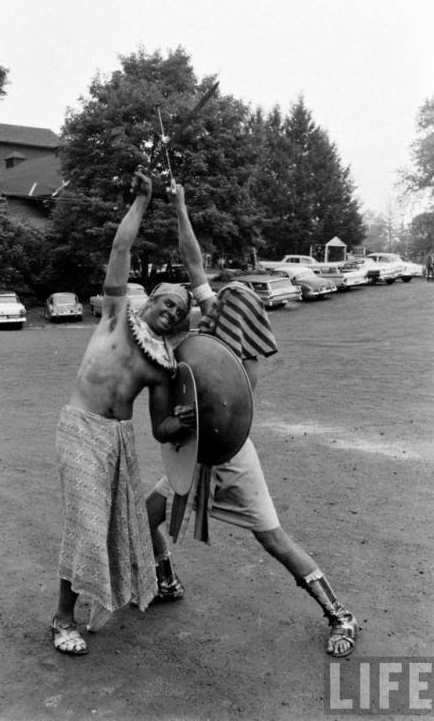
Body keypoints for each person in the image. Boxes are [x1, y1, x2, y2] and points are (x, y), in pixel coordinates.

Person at [146, 182, 358, 659]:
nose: (215, 303)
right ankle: (166, 579)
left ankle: (339, 612)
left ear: (243, 317)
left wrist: (189, 413)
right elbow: (194, 260)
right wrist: (180, 206)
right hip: (195, 453)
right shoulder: (214, 332)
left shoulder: (244, 367)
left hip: (230, 454)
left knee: (272, 537)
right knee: (150, 512)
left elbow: (225, 414)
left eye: (227, 303)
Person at [51, 167, 196, 656]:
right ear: (150, 300)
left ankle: (154, 583)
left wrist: (184, 423)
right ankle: (62, 619)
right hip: (80, 428)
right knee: (88, 523)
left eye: (179, 312)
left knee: (122, 520)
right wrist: (141, 201)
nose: (172, 312)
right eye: (167, 304)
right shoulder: (116, 315)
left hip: (118, 439)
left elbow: (160, 428)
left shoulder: (162, 367)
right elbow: (120, 251)